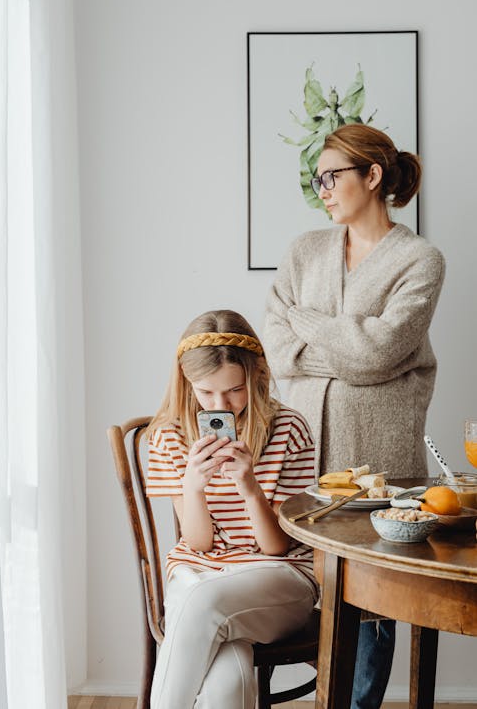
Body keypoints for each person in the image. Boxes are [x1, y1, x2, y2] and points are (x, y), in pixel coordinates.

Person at [263, 123, 445, 709]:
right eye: (316, 179)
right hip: (305, 442)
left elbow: (380, 353)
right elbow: (275, 347)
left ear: (372, 176)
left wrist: (308, 324)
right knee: (308, 578)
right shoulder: (304, 250)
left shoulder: (419, 259)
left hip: (382, 453)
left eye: (332, 176)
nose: (322, 189)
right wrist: (349, 344)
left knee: (372, 594)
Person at [145, 309, 320, 709]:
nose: (221, 405)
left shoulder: (289, 427)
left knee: (201, 601)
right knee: (229, 675)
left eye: (234, 391)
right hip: (199, 569)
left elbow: (278, 547)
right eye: (206, 393)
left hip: (279, 576)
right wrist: (193, 485)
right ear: (187, 384)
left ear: (256, 376)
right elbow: (199, 542)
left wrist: (250, 489)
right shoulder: (168, 436)